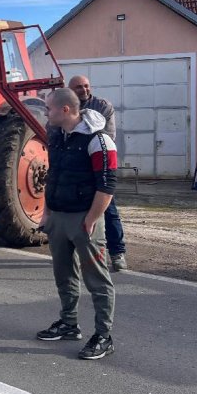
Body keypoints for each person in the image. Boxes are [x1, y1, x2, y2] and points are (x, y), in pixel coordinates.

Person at [36, 88, 116, 360]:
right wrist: (47, 213)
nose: (46, 113)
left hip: (84, 218)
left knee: (97, 280)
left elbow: (106, 187)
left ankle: (104, 336)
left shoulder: (99, 140)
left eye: (49, 109)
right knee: (63, 274)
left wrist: (91, 220)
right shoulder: (57, 136)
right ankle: (68, 324)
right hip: (58, 216)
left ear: (65, 110)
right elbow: (53, 176)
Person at [68, 75, 126, 271]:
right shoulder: (66, 107)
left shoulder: (102, 106)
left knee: (109, 210)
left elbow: (105, 136)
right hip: (75, 169)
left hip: (97, 165)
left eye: (85, 86)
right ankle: (76, 253)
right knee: (74, 212)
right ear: (70, 90)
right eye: (78, 87)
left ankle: (117, 254)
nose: (83, 90)